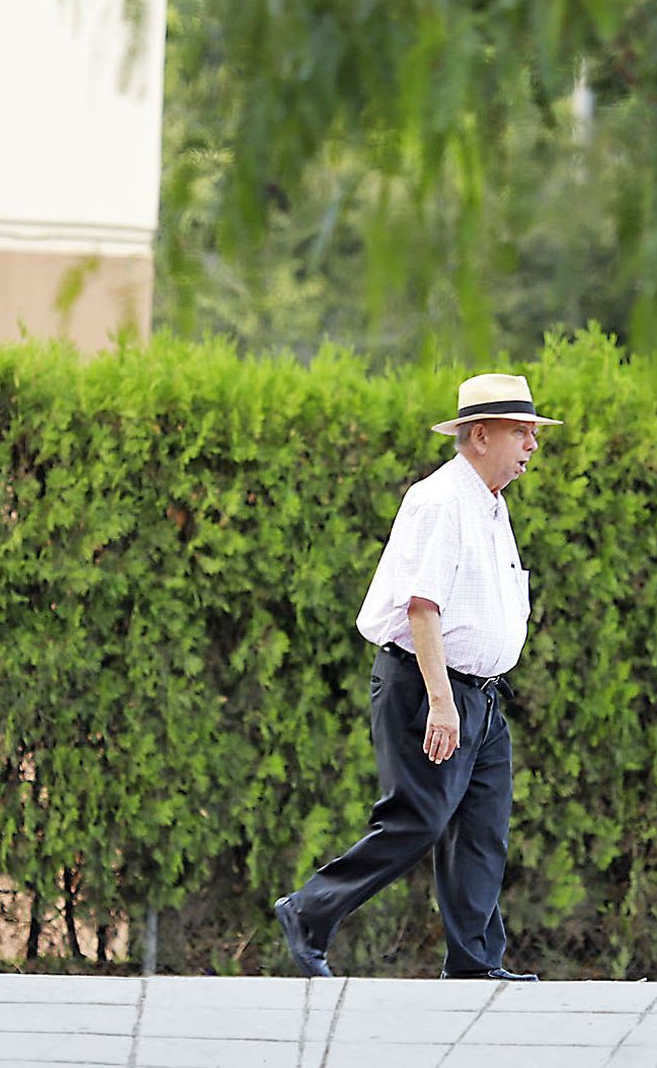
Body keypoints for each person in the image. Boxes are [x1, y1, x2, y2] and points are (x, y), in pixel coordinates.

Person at [274, 372, 561, 980]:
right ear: (480, 436)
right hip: (426, 686)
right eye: (521, 431)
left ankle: (474, 963)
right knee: (419, 818)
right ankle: (308, 912)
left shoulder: (489, 504)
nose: (532, 444)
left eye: (533, 431)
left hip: (480, 697)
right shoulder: (439, 501)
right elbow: (422, 608)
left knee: (481, 832)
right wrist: (440, 702)